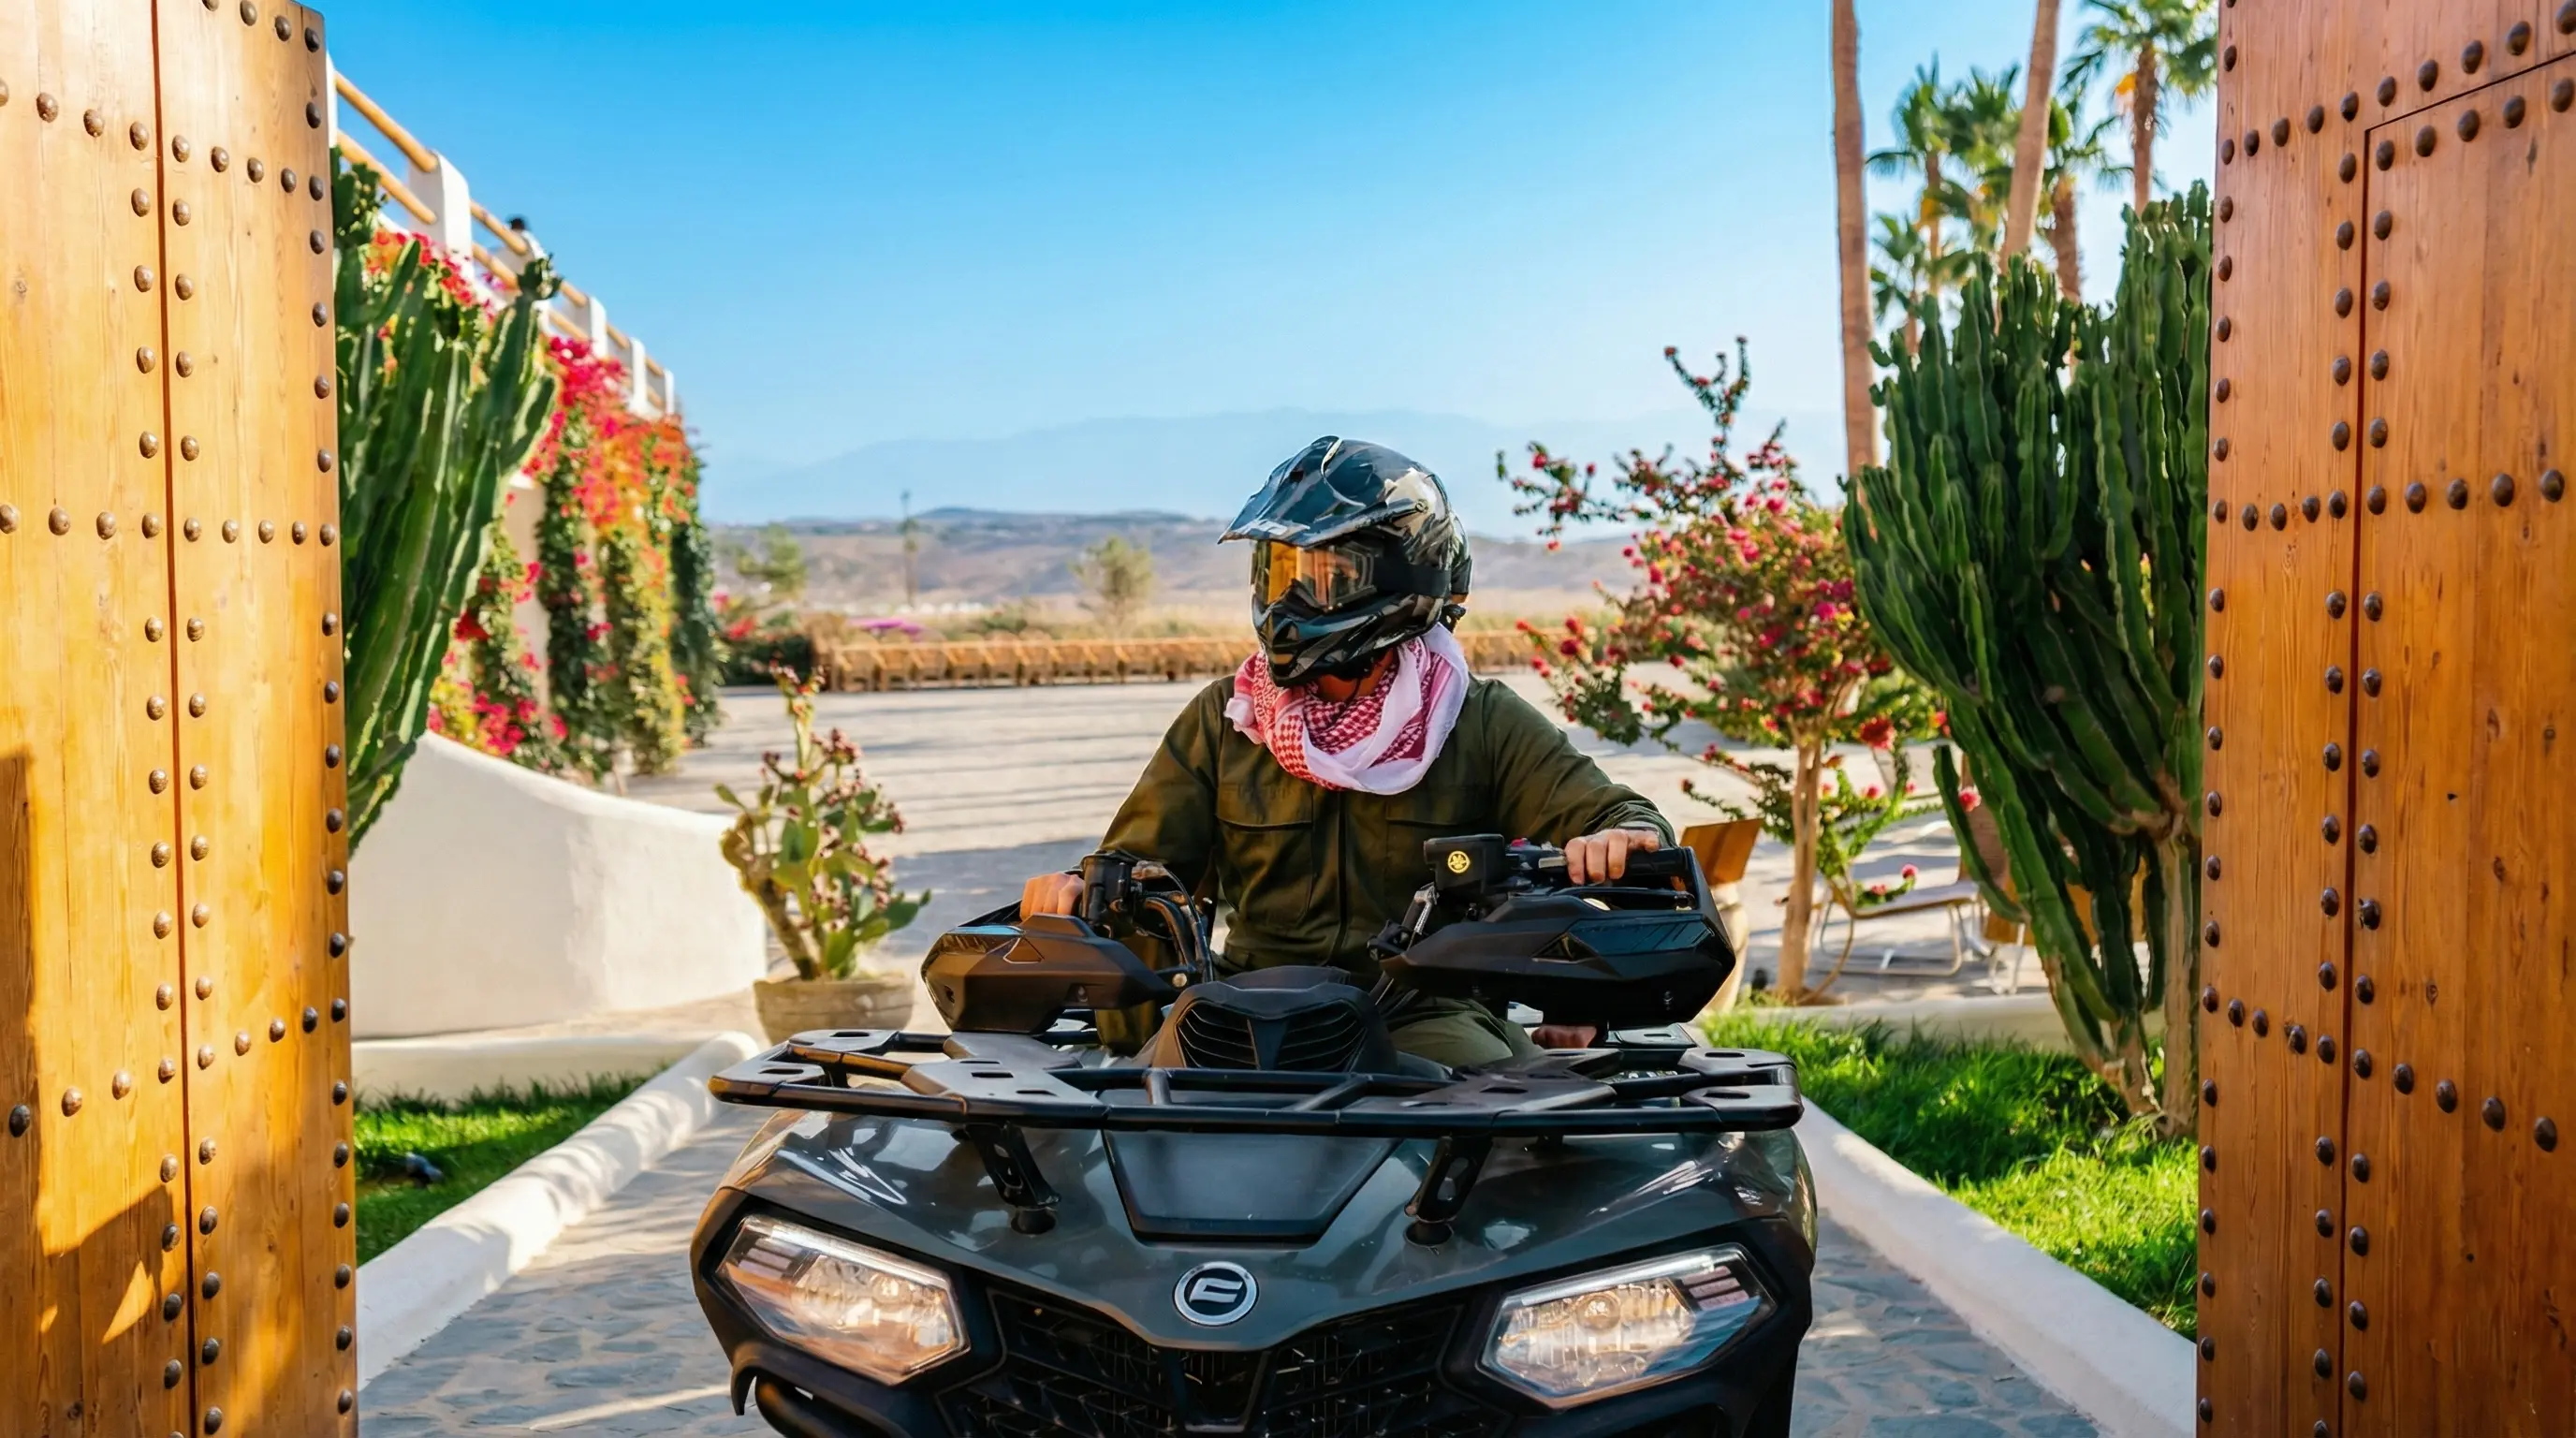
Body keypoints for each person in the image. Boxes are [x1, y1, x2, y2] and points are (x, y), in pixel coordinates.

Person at [1021, 436, 1673, 1066]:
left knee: (1517, 1130)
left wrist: (1623, 840)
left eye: (1329, 576)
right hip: (1246, 1006)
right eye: (1280, 571)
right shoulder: (1229, 718)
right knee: (1123, 1119)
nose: (1291, 600)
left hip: (1421, 1016)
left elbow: (1616, 816)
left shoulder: (1477, 719)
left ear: (1403, 582)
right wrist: (1079, 889)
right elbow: (1139, 868)